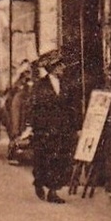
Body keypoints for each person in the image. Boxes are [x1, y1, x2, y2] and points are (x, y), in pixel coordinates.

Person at [29, 52, 79, 203]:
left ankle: (53, 191)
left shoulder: (67, 84)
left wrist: (76, 127)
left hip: (63, 129)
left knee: (60, 159)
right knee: (44, 159)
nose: (63, 67)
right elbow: (33, 108)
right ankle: (39, 182)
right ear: (52, 68)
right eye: (59, 65)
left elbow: (73, 107)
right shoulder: (40, 86)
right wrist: (34, 128)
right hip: (45, 130)